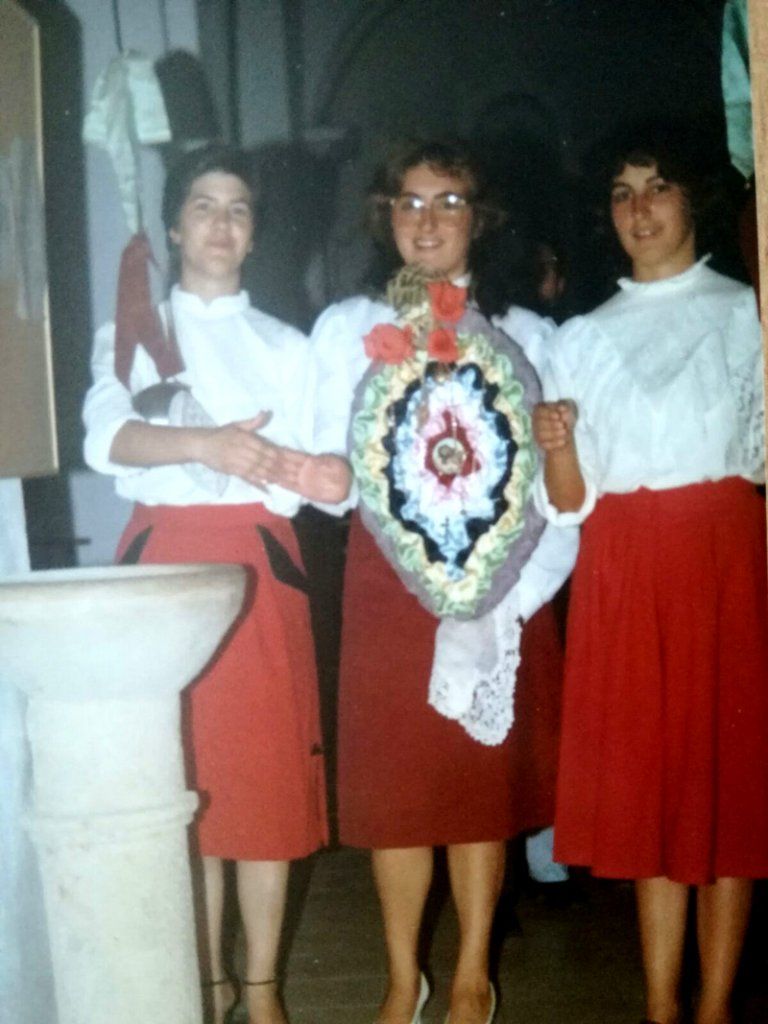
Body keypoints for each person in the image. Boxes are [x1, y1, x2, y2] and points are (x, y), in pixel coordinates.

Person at [311, 139, 577, 1024]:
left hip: (497, 582)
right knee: (397, 788)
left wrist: (507, 600)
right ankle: (402, 979)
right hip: (386, 581)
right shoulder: (347, 327)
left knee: (474, 787)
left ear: (481, 219)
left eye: (449, 202)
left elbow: (558, 492)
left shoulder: (527, 333)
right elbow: (329, 471)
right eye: (410, 202)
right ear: (385, 216)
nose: (427, 222)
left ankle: (470, 977)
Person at [83, 144, 350, 1024]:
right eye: (203, 206)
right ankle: (205, 981)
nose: (221, 224)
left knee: (263, 783)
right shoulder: (135, 328)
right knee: (183, 781)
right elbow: (107, 439)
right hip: (163, 565)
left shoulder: (286, 345)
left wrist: (326, 476)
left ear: (255, 231)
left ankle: (262, 986)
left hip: (259, 568)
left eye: (238, 209)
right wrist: (207, 445)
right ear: (173, 225)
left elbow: (324, 471)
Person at [534, 124, 768, 1024]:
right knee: (654, 792)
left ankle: (716, 1007)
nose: (639, 208)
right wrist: (557, 445)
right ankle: (662, 1006)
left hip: (723, 560)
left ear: (692, 198)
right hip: (626, 569)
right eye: (622, 193)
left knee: (725, 789)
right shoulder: (583, 337)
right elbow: (570, 499)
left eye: (658, 187)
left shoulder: (746, 312)